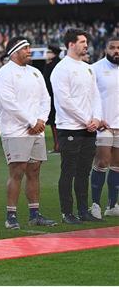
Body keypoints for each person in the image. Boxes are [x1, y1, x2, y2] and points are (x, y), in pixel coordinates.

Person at [0, 36, 57, 229]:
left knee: (35, 171)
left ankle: (34, 214)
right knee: (17, 172)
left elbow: (46, 98)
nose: (30, 51)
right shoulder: (5, 73)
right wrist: (31, 121)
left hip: (35, 130)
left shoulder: (35, 72)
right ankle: (11, 216)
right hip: (15, 130)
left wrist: (41, 121)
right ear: (15, 51)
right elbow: (8, 102)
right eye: (26, 48)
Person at [50, 28, 102, 224]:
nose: (86, 45)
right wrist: (86, 120)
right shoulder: (61, 69)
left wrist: (96, 118)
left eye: (86, 41)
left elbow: (96, 95)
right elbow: (64, 101)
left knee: (84, 171)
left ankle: (83, 210)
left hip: (89, 127)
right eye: (82, 41)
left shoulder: (88, 68)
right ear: (71, 44)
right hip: (70, 127)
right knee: (69, 171)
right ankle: (67, 212)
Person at [89, 36, 119, 219]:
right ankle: (95, 205)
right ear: (105, 49)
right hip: (103, 125)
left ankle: (112, 205)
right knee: (102, 162)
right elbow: (89, 97)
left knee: (117, 166)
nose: (116, 51)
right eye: (112, 47)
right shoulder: (95, 69)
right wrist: (96, 119)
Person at [43, 45, 62, 153]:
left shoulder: (51, 65)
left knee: (54, 122)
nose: (46, 54)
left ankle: (58, 146)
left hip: (52, 98)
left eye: (48, 52)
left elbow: (47, 84)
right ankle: (58, 145)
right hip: (57, 98)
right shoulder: (59, 64)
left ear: (53, 53)